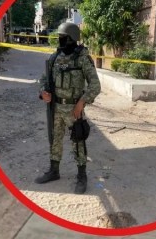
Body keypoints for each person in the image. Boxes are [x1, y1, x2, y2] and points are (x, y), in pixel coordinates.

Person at [35, 21, 101, 194]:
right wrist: (43, 92)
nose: (60, 40)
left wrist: (82, 102)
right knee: (55, 140)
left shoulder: (82, 58)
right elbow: (43, 79)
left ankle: (81, 176)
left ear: (72, 39)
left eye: (63, 38)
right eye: (59, 37)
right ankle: (54, 171)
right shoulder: (54, 58)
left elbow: (95, 85)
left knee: (78, 141)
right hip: (56, 108)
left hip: (74, 109)